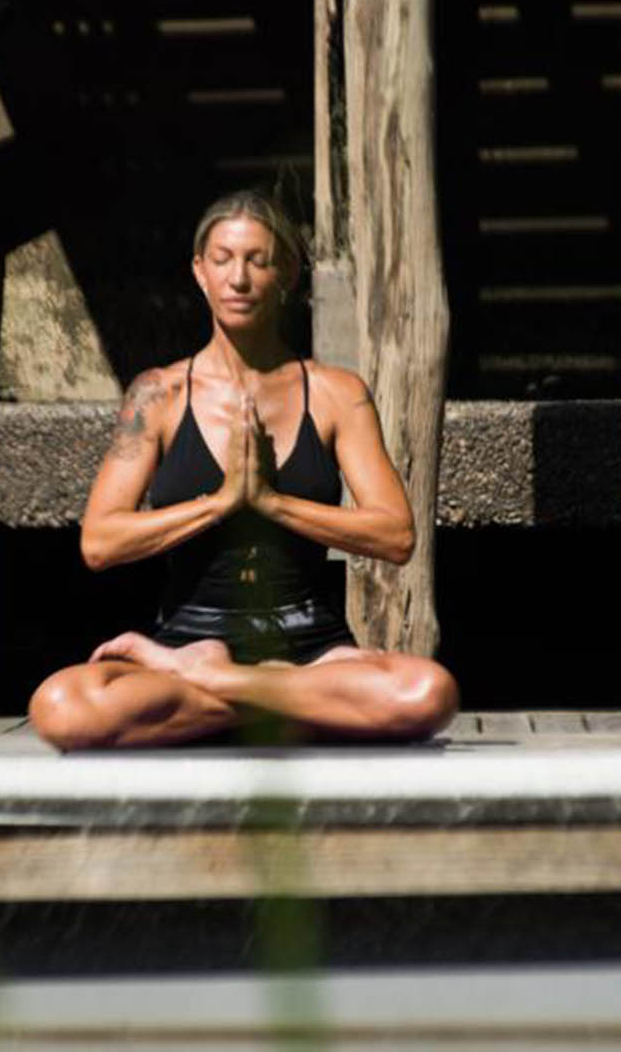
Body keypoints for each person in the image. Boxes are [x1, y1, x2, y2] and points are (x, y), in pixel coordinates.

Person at [28, 191, 459, 750]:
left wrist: (273, 504)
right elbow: (99, 542)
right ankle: (279, 701)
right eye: (224, 259)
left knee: (429, 693)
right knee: (61, 707)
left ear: (287, 274)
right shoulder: (156, 394)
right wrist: (222, 502)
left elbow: (396, 534)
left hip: (310, 649)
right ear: (199, 273)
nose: (239, 278)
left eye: (258, 260)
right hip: (190, 640)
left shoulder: (336, 393)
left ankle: (221, 689)